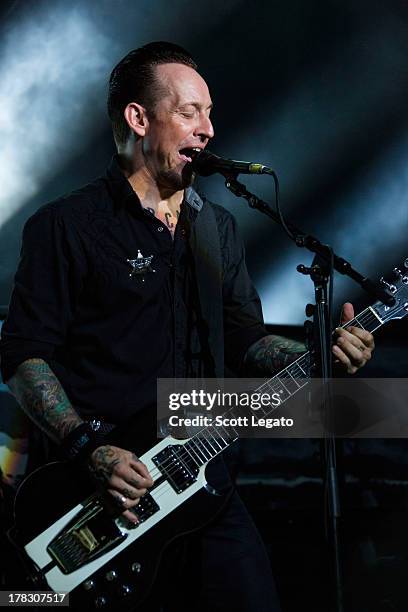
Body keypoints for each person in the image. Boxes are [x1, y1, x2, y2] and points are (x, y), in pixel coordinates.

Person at [0, 42, 374, 611]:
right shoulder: (66, 226)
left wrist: (319, 352)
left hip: (207, 484)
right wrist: (88, 449)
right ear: (138, 118)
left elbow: (249, 340)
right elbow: (23, 356)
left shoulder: (216, 228)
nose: (207, 129)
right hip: (105, 489)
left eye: (210, 113)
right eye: (189, 112)